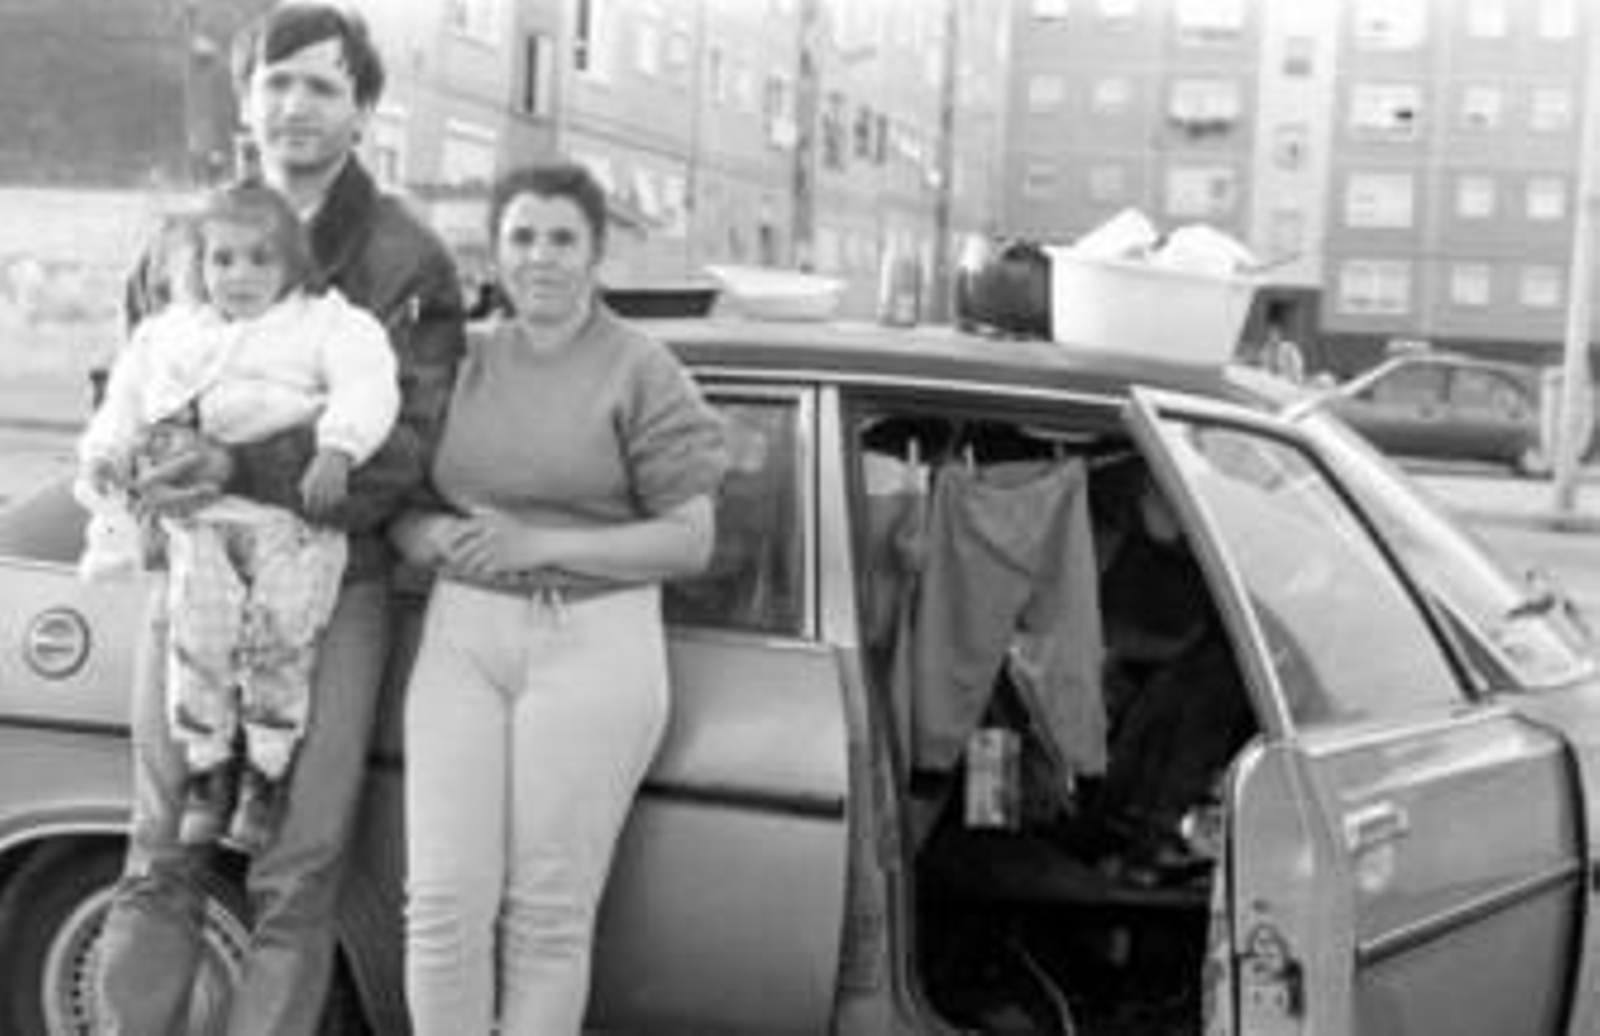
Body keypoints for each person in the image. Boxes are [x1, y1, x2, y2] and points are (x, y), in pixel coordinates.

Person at [94, 5, 465, 1035]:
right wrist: (139, 464)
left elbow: (404, 451)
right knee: (162, 847)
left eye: (322, 85)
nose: (295, 105)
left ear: (362, 109)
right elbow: (122, 388)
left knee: (297, 872)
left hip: (334, 590)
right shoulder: (177, 242)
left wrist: (237, 460)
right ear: (244, 97)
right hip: (193, 572)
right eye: (278, 82)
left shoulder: (406, 260)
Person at [389, 161, 727, 1036]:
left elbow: (691, 539)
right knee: (440, 906)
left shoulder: (641, 368)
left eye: (562, 239)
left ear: (596, 252)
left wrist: (540, 546)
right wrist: (425, 538)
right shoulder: (459, 359)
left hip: (594, 642)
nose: (541, 257)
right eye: (522, 237)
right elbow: (401, 504)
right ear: (495, 251)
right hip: (462, 636)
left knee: (545, 919)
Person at [75, 182, 400, 855]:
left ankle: (266, 773)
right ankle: (208, 768)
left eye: (260, 259)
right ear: (200, 265)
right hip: (203, 525)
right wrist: (106, 455)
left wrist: (339, 445)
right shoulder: (171, 334)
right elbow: (125, 400)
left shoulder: (327, 324)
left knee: (280, 646)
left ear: (292, 263)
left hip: (290, 527)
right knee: (201, 639)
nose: (241, 275)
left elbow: (370, 384)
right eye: (224, 260)